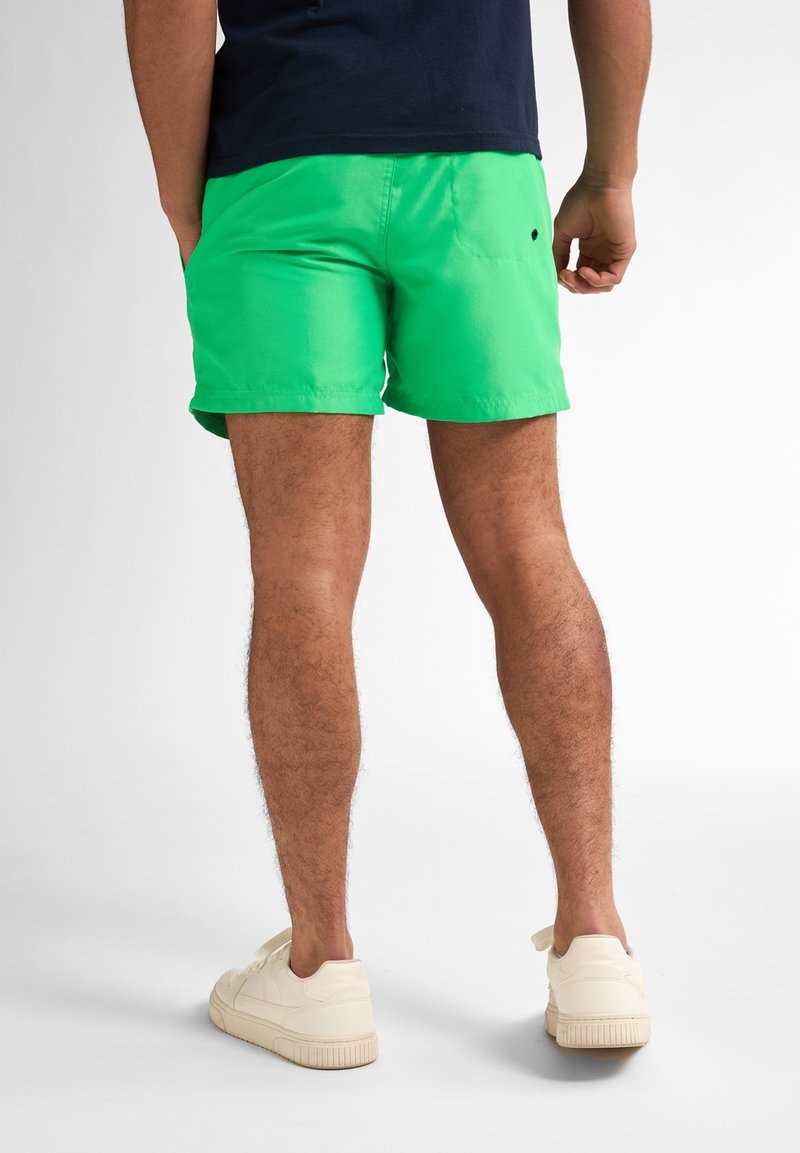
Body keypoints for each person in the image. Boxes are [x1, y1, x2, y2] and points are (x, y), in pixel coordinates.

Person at [123, 0, 653, 1068]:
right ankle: (594, 938)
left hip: (285, 168)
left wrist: (185, 202)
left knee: (303, 574)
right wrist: (611, 172)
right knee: (528, 545)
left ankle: (320, 970)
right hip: (478, 160)